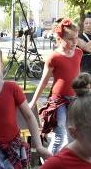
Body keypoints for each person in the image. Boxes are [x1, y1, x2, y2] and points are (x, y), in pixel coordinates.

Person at [29, 18, 82, 160]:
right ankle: (48, 163)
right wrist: (33, 102)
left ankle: (66, 163)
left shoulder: (78, 53)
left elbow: (77, 78)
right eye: (70, 39)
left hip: (74, 100)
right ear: (59, 39)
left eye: (76, 38)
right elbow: (44, 81)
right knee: (60, 135)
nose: (74, 42)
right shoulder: (54, 57)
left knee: (72, 135)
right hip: (58, 100)